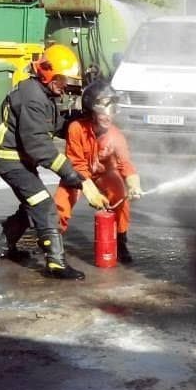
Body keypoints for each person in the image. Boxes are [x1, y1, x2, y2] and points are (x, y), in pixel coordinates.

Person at [0, 43, 110, 279]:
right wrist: (76, 178)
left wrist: (80, 122)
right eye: (62, 79)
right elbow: (39, 148)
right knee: (44, 205)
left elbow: (52, 124)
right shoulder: (32, 98)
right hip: (10, 161)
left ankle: (3, 248)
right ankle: (56, 264)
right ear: (47, 72)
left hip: (19, 159)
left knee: (32, 204)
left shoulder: (42, 93)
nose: (65, 85)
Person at [54, 80, 144, 263]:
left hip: (104, 174)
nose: (108, 116)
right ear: (91, 108)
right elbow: (76, 164)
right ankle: (54, 244)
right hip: (78, 174)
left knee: (120, 195)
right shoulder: (76, 129)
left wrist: (134, 184)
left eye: (111, 110)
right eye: (103, 108)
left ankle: (121, 241)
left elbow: (125, 163)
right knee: (61, 202)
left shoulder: (116, 136)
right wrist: (90, 191)